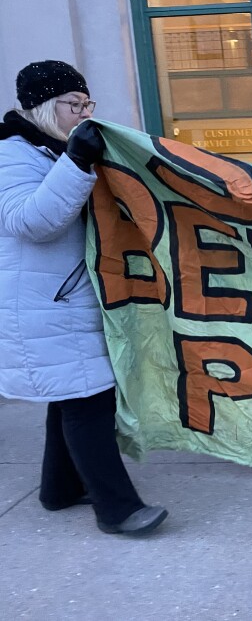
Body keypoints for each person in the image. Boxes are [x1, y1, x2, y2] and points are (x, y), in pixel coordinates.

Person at [0, 60, 168, 536]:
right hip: (44, 304)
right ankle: (117, 509)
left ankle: (59, 488)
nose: (84, 113)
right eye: (74, 105)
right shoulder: (12, 154)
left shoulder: (46, 151)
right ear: (45, 106)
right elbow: (30, 223)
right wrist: (76, 163)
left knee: (70, 393)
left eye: (87, 104)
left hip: (61, 299)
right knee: (88, 399)